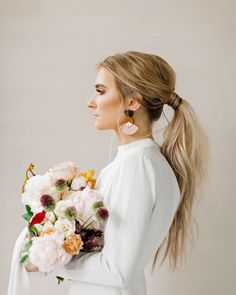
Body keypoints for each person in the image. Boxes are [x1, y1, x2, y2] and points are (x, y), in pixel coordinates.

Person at [7, 51, 208, 295]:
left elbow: (116, 270)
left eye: (101, 91)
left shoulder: (138, 167)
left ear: (133, 102)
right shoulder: (136, 162)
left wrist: (44, 257)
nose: (90, 102)